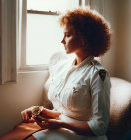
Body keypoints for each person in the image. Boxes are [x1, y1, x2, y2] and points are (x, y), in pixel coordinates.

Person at [21, 8, 111, 140]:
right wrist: (42, 111)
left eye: (68, 35)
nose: (62, 41)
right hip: (60, 128)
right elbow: (63, 112)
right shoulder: (62, 66)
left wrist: (61, 124)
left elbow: (99, 126)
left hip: (84, 135)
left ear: (84, 40)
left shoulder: (97, 74)